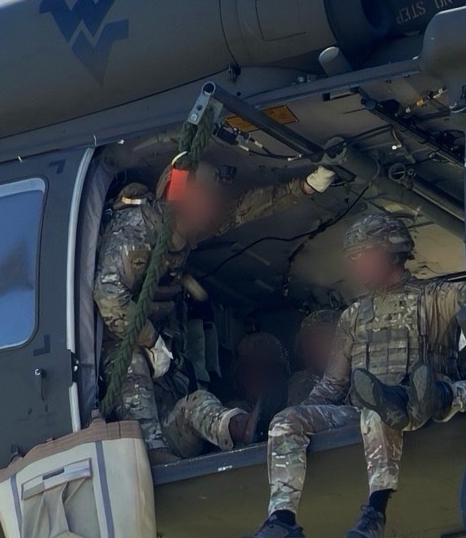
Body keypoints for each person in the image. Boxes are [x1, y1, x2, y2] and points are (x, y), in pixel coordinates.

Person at [236, 213, 466, 538]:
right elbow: (332, 386)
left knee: (377, 413)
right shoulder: (353, 316)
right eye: (354, 258)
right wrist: (304, 414)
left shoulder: (438, 297)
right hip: (361, 409)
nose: (358, 265)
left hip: (424, 404)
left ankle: (374, 514)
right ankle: (282, 519)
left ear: (392, 251)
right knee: (288, 421)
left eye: (365, 254)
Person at [93, 158, 335, 464]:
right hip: (135, 417)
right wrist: (150, 340)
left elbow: (240, 210)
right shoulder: (136, 229)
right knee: (130, 359)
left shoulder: (184, 231)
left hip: (172, 424)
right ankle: (153, 453)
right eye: (202, 196)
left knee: (196, 403)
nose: (209, 206)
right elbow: (108, 294)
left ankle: (244, 429)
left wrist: (301, 187)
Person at [162, 331, 292, 458]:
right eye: (255, 371)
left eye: (271, 371)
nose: (263, 378)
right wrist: (240, 425)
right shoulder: (224, 409)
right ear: (239, 378)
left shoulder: (293, 408)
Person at [287, 308, 342, 406]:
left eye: (328, 342)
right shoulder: (301, 385)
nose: (324, 349)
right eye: (316, 344)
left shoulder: (351, 379)